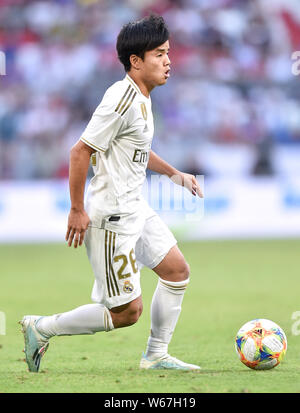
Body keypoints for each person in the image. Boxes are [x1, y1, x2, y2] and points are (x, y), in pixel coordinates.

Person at [20, 14, 203, 373]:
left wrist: (173, 174)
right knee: (126, 313)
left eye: (168, 53)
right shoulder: (120, 98)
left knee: (177, 271)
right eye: (160, 54)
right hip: (112, 218)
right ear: (136, 61)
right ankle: (41, 327)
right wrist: (76, 209)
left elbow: (135, 147)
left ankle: (156, 355)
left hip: (136, 207)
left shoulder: (141, 97)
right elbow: (80, 151)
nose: (169, 61)